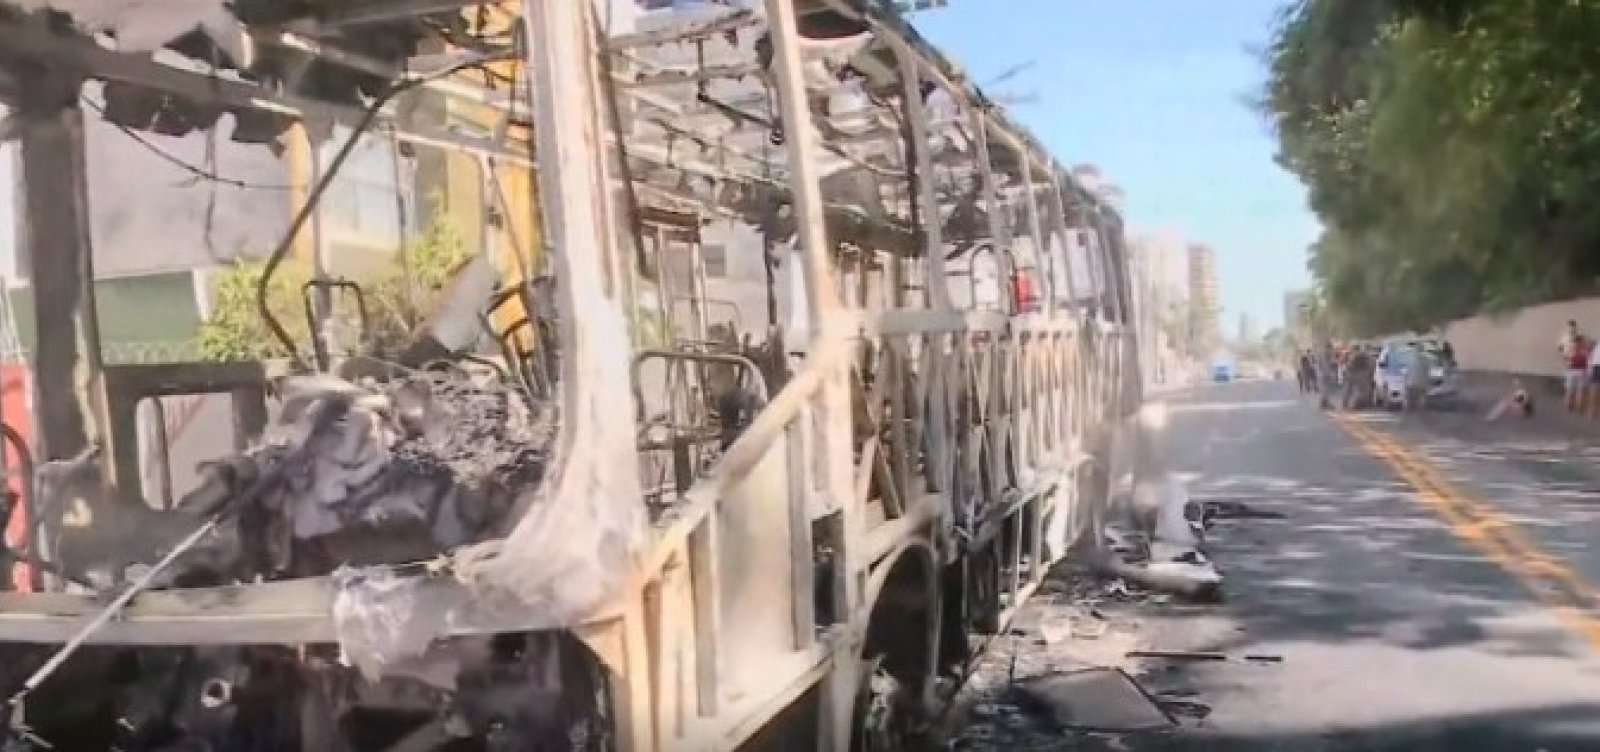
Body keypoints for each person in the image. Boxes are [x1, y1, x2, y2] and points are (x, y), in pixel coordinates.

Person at [1562, 321, 1591, 412]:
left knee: (1570, 389)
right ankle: (1579, 408)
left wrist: (1567, 363)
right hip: (1582, 370)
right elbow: (1588, 358)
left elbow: (1565, 356)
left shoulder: (1571, 349)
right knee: (1580, 390)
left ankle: (1568, 407)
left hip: (1571, 369)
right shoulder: (1584, 349)